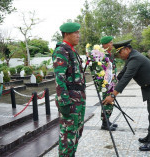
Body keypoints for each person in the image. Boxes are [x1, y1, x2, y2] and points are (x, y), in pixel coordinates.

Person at [103, 39, 150, 151]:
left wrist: (113, 96)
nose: (119, 55)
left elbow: (126, 79)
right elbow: (122, 74)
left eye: (120, 52)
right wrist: (111, 82)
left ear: (127, 49)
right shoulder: (131, 58)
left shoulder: (135, 59)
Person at [52, 22, 86, 157]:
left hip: (78, 99)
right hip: (70, 101)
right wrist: (64, 102)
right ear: (66, 34)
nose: (79, 35)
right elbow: (59, 79)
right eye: (75, 33)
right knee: (67, 135)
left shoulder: (71, 50)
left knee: (76, 132)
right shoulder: (62, 50)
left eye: (78, 33)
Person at [99, 36, 118, 131]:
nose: (112, 44)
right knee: (107, 102)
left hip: (111, 82)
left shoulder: (109, 54)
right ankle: (104, 123)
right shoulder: (102, 55)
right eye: (110, 42)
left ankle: (107, 120)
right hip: (106, 83)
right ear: (104, 44)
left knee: (111, 102)